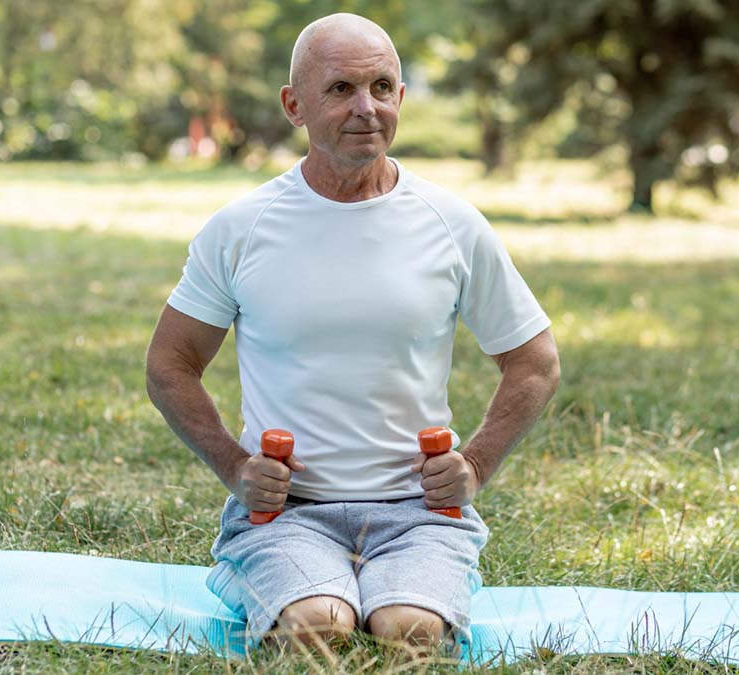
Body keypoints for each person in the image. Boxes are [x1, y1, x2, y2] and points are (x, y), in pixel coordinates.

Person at [145, 13, 560, 655]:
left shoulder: (450, 223)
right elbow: (170, 363)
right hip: (286, 514)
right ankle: (269, 571)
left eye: (383, 87)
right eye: (340, 88)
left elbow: (534, 361)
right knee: (317, 626)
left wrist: (474, 465)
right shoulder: (242, 228)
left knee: (410, 632)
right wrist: (235, 469)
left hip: (419, 516)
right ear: (295, 106)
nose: (367, 108)